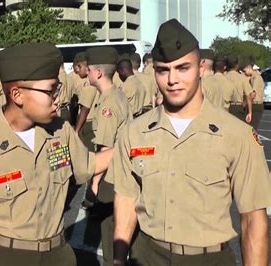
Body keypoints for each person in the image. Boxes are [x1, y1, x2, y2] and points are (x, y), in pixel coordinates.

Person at [110, 18, 271, 266]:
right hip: (148, 256)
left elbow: (253, 221)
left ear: (201, 68)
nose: (172, 79)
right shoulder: (135, 133)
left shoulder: (236, 135)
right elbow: (127, 198)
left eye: (183, 68)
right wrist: (119, 259)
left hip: (209, 259)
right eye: (163, 70)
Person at [0, 42, 114, 266]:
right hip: (12, 257)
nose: (57, 97)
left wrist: (131, 144)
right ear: (17, 95)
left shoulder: (60, 130)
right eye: (50, 90)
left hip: (59, 253)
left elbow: (89, 164)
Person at [85, 47, 131, 265]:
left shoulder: (108, 103)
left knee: (109, 228)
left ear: (99, 73)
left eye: (89, 70)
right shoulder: (115, 94)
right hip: (121, 169)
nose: (87, 73)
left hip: (110, 174)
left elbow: (105, 147)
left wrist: (94, 184)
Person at [71, 52, 98, 152]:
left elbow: (85, 109)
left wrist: (76, 130)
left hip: (89, 124)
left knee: (89, 155)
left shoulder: (89, 84)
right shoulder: (97, 80)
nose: (77, 73)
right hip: (94, 122)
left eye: (78, 70)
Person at [225, 55, 254, 123]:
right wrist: (249, 112)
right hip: (238, 108)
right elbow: (249, 96)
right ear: (236, 65)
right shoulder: (242, 78)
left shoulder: (224, 77)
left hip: (226, 107)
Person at [242, 58, 264, 130]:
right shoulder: (252, 77)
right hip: (255, 104)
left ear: (249, 68)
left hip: (255, 105)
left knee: (252, 129)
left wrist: (245, 103)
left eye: (245, 70)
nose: (244, 73)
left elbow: (253, 94)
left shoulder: (255, 77)